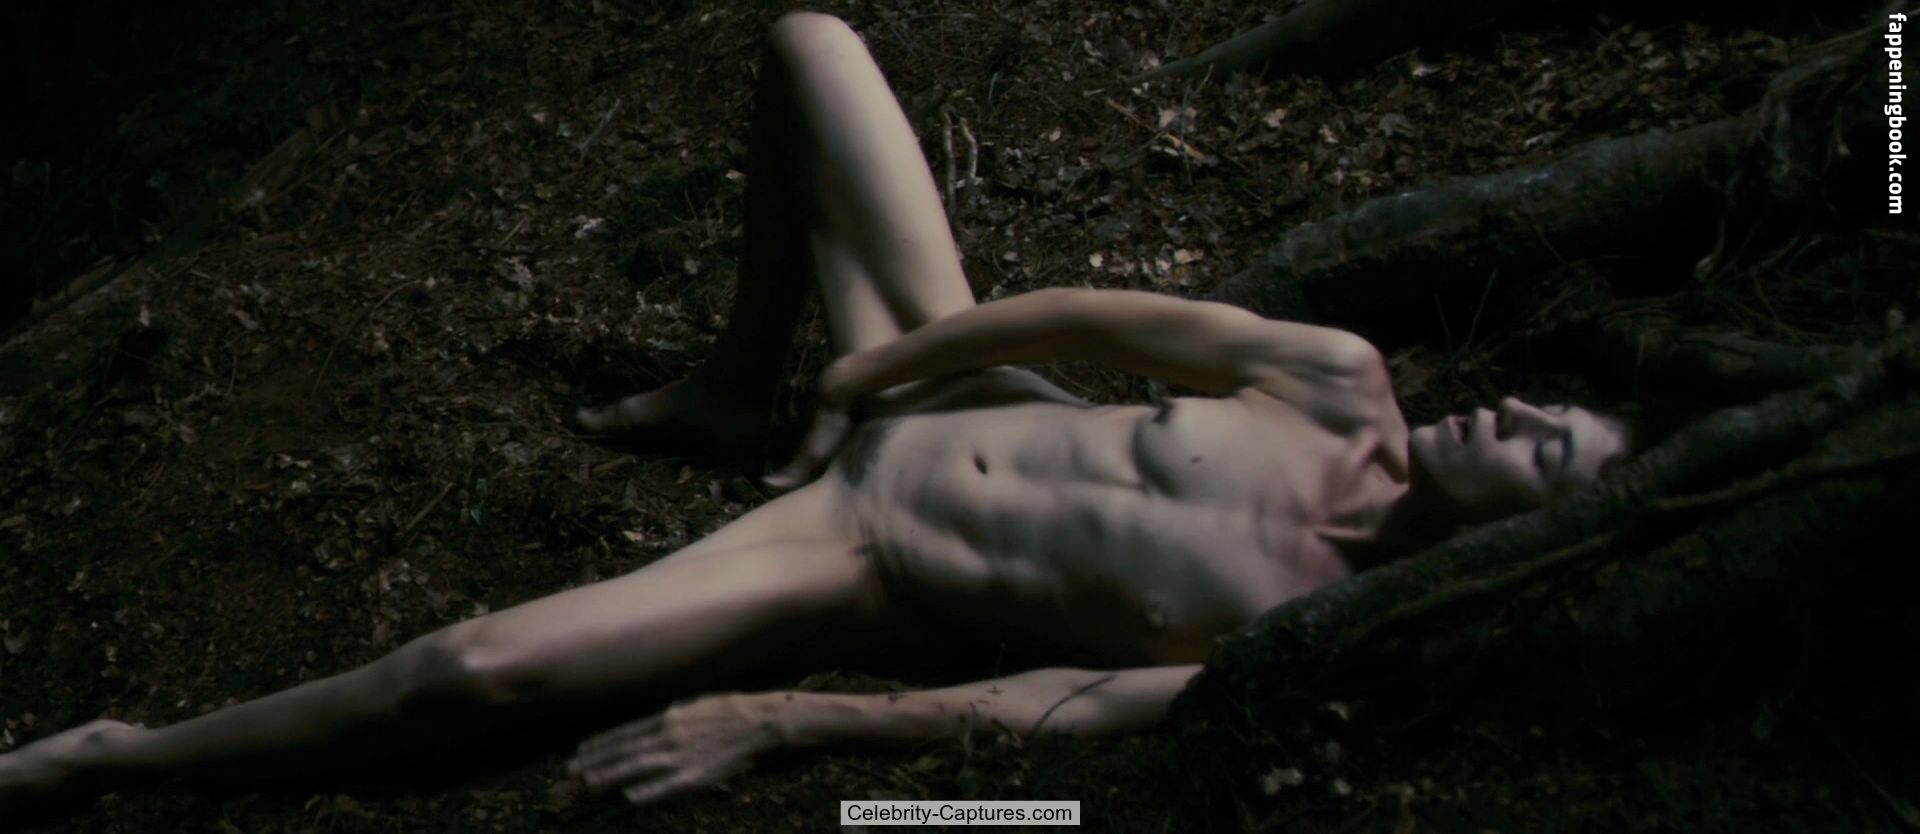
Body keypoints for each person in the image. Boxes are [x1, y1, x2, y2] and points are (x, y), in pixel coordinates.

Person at [0, 11, 1631, 816]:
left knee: (474, 669)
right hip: (954, 369)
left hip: (862, 541)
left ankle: (119, 757)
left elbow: (1046, 719)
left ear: (1539, 542)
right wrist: (862, 373)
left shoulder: (1310, 632)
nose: (1516, 410)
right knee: (810, 40)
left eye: (1545, 449)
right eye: (1548, 405)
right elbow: (1085, 319)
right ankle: (733, 385)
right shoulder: (1342, 377)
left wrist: (788, 721)